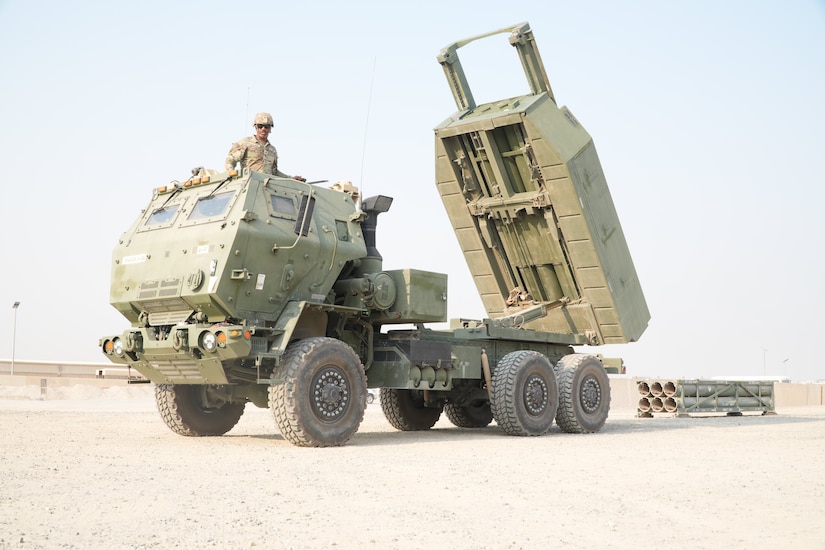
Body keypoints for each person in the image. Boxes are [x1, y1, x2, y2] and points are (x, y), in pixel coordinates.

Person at [225, 112, 304, 180]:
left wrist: (291, 179)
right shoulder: (245, 143)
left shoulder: (272, 150)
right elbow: (230, 161)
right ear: (256, 127)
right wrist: (233, 177)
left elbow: (274, 172)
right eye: (260, 126)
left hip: (266, 187)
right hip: (249, 183)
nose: (263, 129)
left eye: (266, 127)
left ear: (270, 128)